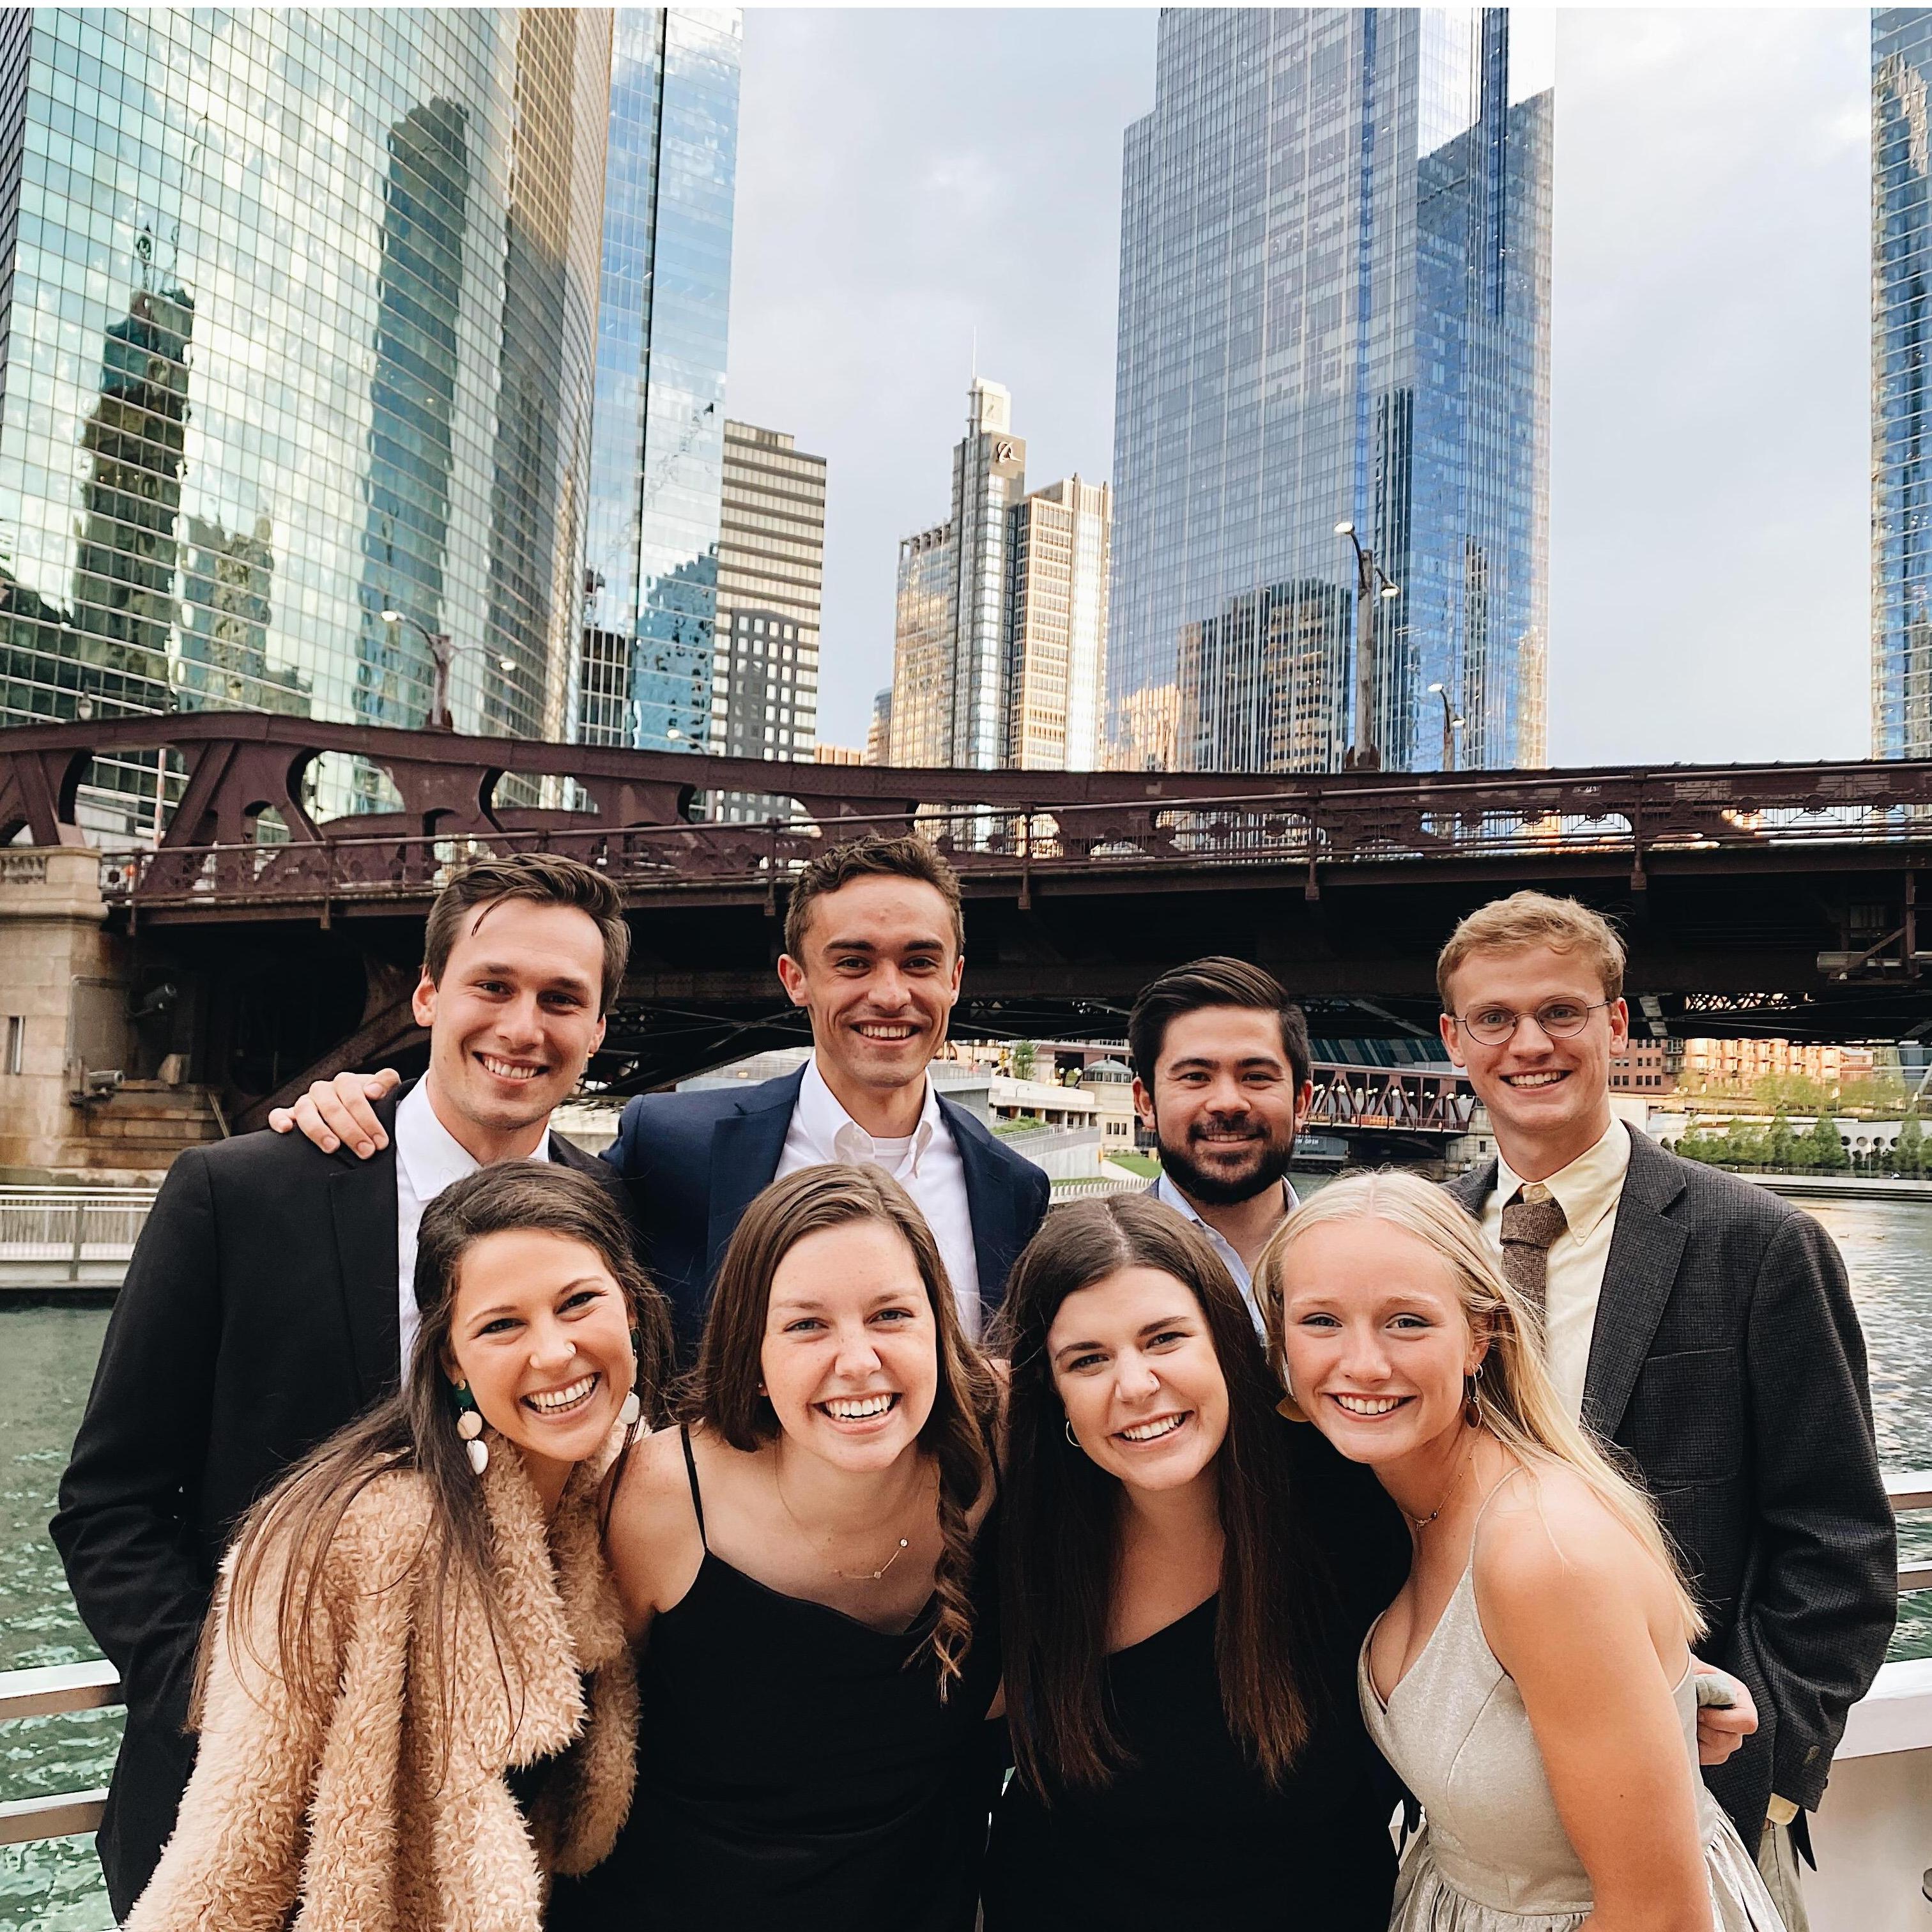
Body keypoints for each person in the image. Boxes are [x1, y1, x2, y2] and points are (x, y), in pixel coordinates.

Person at [52, 852, 634, 1918]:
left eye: (563, 998)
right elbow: (110, 1501)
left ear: (597, 1030)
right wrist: (217, 1697)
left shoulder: (615, 1215)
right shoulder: (238, 1192)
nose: (522, 1022)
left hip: (515, 1809)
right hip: (246, 1804)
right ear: (426, 995)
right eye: (492, 984)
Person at [1435, 891, 1895, 1923]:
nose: (1528, 1043)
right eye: (1493, 1017)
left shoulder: (1758, 1246)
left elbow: (1839, 1544)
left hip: (1694, 1814)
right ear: (1451, 1038)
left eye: (1560, 1010)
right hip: (1464, 1824)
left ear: (1615, 1024)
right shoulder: (1429, 1242)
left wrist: (1761, 1771)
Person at [123, 1161, 675, 1931]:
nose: (553, 1353)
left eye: (579, 1302)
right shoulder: (343, 1536)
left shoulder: (635, 1493)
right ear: (451, 1359)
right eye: (500, 1325)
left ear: (633, 1310)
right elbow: (230, 1863)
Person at [276, 833, 1052, 1360]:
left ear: (953, 979)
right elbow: (503, 1201)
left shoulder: (1012, 1187)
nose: (890, 994)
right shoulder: (671, 1148)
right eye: (852, 962)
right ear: (796, 981)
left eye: (920, 963)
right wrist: (368, 1101)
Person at [1266, 1170, 1785, 1932]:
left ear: (1481, 1336)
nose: (1365, 1364)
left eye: (1408, 1321)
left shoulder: (1541, 1551)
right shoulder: (1383, 1498)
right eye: (1321, 1321)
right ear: (1280, 1337)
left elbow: (1662, 1916)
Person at [549, 1162, 1004, 1931]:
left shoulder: (1001, 1445)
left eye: (892, 1315)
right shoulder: (663, 1498)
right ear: (752, 1357)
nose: (858, 1361)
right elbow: (569, 1735)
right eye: (806, 1324)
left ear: (940, 1327)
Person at [981, 1193, 1410, 1930]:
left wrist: (1646, 1669)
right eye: (1087, 1360)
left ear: (1226, 1342)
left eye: (1165, 1339)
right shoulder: (1019, 1529)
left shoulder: (1350, 1500)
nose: (1136, 1385)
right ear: (1052, 1394)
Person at [1126, 956, 1312, 1328]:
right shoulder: (1083, 1272)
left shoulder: (1362, 1256)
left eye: (1256, 1076)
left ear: (1300, 1103)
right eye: (1195, 1076)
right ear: (1146, 1103)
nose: (1228, 1102)